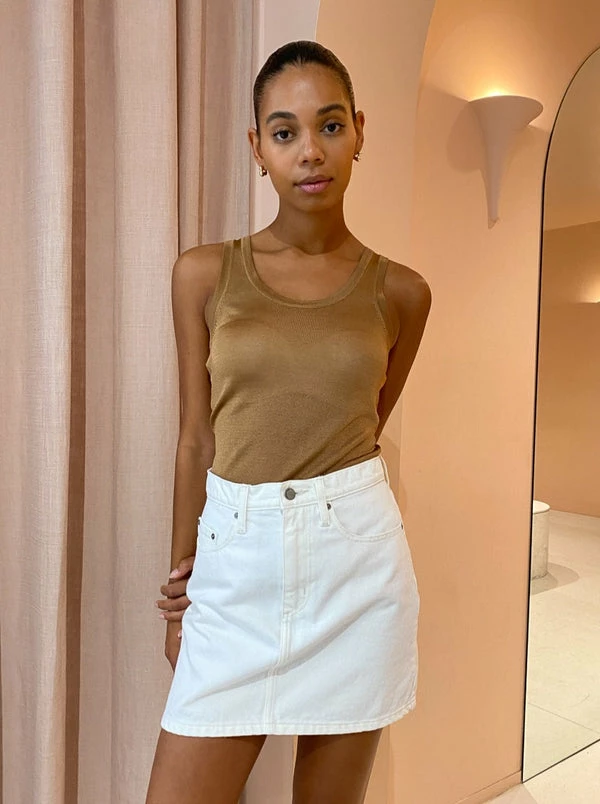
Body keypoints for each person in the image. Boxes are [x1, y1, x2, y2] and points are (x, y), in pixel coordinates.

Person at [146, 39, 431, 804]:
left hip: (355, 578)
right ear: (257, 148)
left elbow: (362, 429)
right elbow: (196, 438)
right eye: (285, 132)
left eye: (330, 125)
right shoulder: (204, 273)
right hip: (234, 570)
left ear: (359, 132)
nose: (310, 151)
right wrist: (181, 587)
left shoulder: (402, 293)